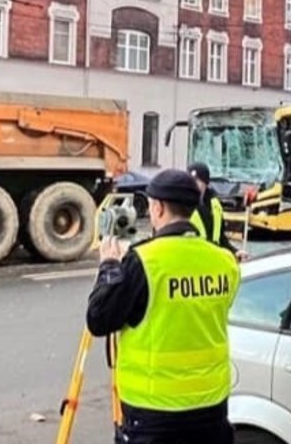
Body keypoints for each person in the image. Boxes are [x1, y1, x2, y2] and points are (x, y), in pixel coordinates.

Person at [86, 169, 241, 444]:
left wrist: (110, 266)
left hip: (154, 412)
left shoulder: (144, 261)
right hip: (211, 408)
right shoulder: (225, 261)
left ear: (157, 208)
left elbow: (99, 319)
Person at [186, 163, 249, 261]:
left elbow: (220, 239)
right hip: (193, 262)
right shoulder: (183, 206)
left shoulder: (215, 205)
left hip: (212, 262)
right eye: (190, 181)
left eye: (197, 181)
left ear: (205, 183)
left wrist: (235, 252)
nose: (193, 185)